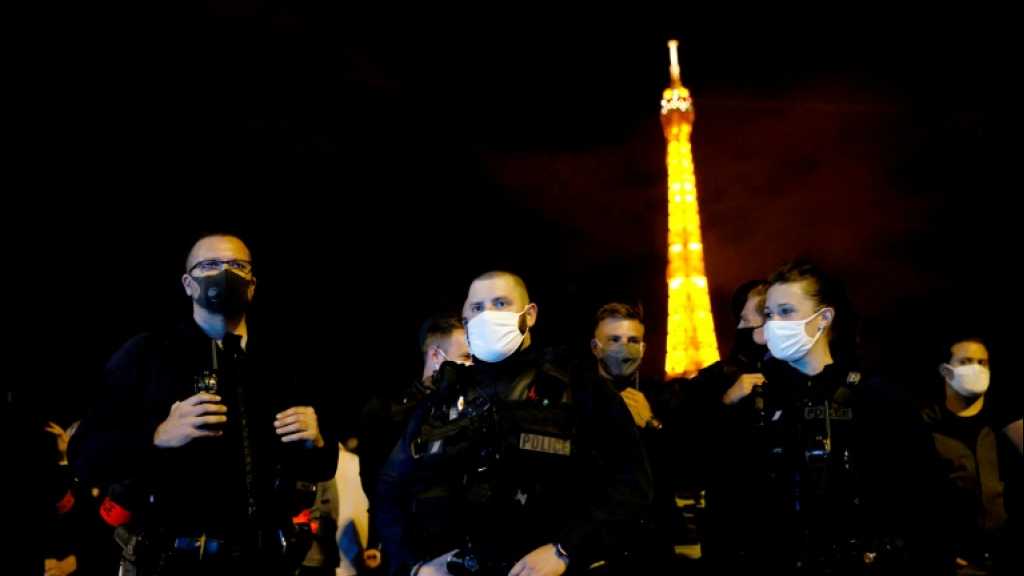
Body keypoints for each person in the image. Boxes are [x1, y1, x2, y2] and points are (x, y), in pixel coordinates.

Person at [71, 233, 338, 574]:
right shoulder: (147, 355)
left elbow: (321, 466)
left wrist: (316, 441)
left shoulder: (282, 362)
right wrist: (157, 435)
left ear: (252, 284)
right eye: (210, 265)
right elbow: (86, 457)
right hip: (176, 561)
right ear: (188, 283)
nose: (224, 274)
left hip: (268, 560)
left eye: (237, 266)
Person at [375, 271, 652, 575]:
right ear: (465, 318)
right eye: (477, 308)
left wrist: (566, 549)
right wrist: (416, 564)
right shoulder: (445, 396)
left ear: (529, 314)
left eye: (501, 303)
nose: (488, 315)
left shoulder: (577, 386)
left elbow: (632, 484)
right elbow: (390, 487)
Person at [922, 334, 1020, 574]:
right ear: (946, 371)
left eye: (982, 362)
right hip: (956, 564)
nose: (976, 369)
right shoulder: (925, 428)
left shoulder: (1006, 427)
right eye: (965, 362)